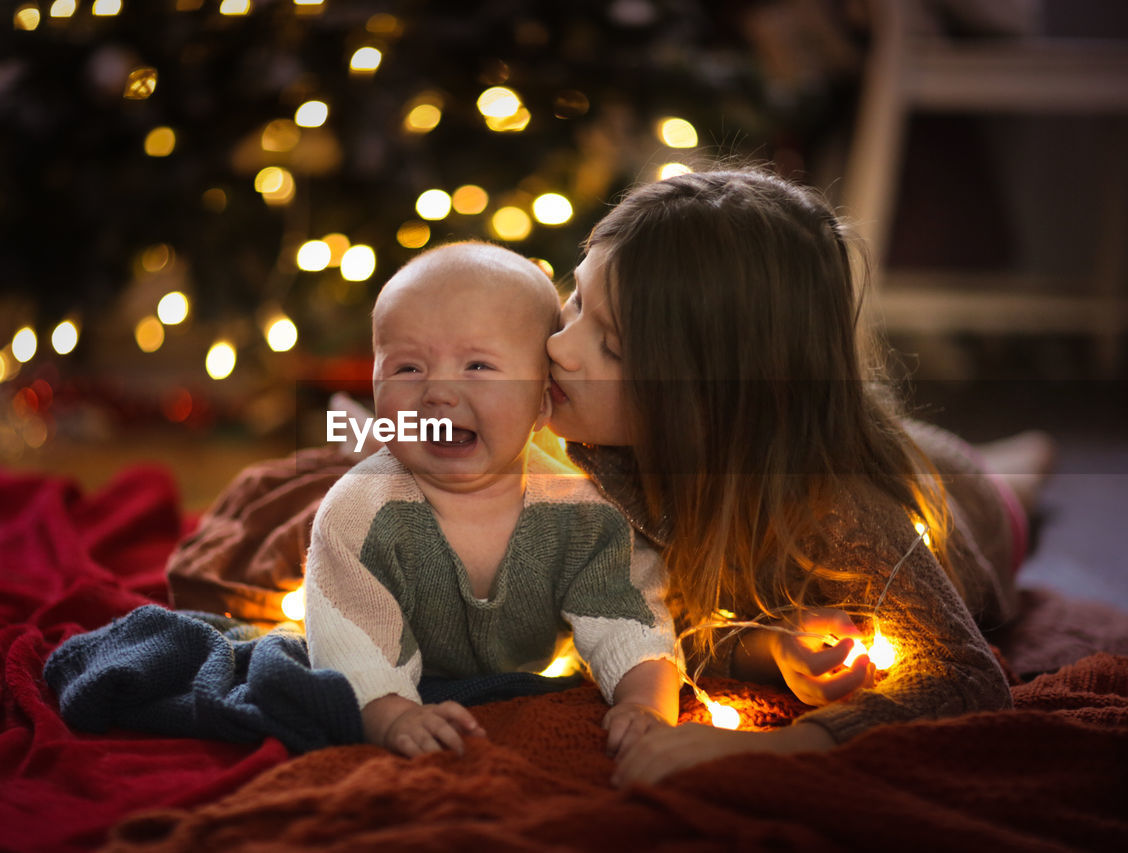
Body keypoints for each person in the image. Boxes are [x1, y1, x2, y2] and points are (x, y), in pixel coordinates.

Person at [543, 168, 1053, 786]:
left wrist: (784, 749)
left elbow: (965, 675)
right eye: (575, 301)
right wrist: (773, 645)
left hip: (965, 499)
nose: (561, 348)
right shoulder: (602, 447)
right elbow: (678, 620)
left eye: (613, 348)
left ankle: (1029, 460)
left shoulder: (840, 508)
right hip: (883, 443)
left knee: (1008, 486)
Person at [304, 241, 680, 760]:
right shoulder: (359, 512)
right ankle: (358, 438)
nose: (438, 393)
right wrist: (391, 713)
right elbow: (347, 632)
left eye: (478, 366)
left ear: (543, 403)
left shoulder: (583, 514)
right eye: (407, 369)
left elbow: (629, 616)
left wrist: (646, 702)